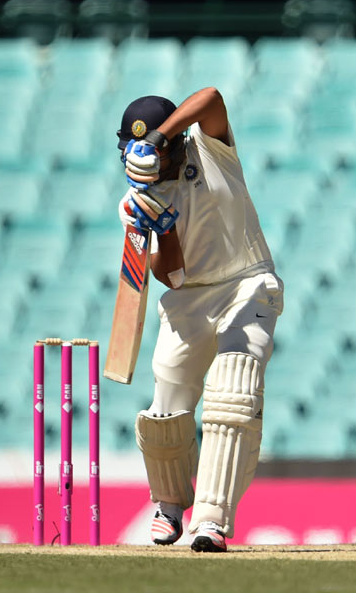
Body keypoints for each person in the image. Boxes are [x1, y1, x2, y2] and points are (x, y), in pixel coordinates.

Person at [116, 88, 283, 552]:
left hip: (248, 283)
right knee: (166, 402)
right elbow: (171, 276)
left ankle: (210, 519)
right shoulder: (138, 202)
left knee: (232, 390)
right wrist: (161, 226)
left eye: (154, 148)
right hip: (189, 298)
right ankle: (169, 506)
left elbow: (210, 97)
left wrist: (159, 136)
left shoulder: (209, 150)